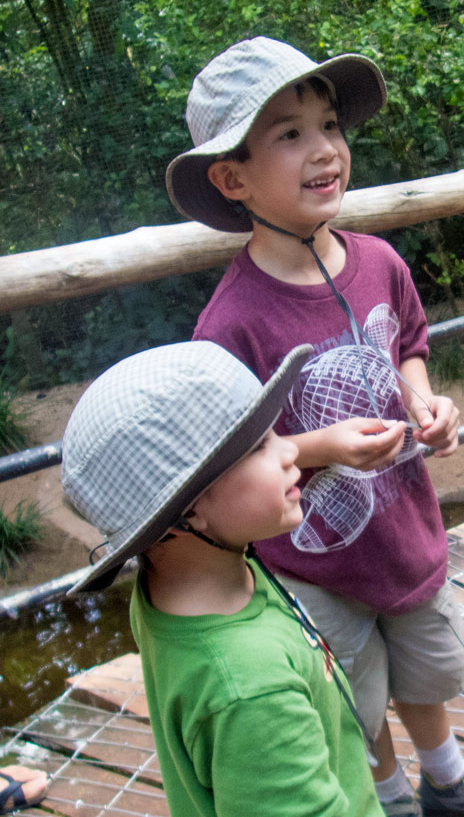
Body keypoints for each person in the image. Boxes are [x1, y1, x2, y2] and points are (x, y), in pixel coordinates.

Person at [165, 38, 464, 817]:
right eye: (289, 133)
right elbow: (230, 453)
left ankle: (448, 778)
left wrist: (424, 402)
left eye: (329, 125)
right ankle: (390, 795)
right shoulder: (229, 324)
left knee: (429, 666)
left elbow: (406, 343)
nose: (324, 149)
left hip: (404, 529)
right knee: (353, 692)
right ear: (231, 178)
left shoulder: (378, 261)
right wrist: (319, 449)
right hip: (314, 561)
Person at [61, 340, 383, 816]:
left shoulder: (171, 586)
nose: (291, 449)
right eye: (258, 446)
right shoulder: (250, 690)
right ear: (184, 511)